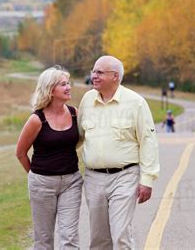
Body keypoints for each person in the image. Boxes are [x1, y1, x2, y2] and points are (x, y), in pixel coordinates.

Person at [78, 56, 160, 249]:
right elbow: (79, 136)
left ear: (115, 76)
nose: (94, 76)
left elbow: (148, 142)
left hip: (125, 177)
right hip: (93, 178)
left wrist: (147, 180)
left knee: (121, 234)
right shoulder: (87, 100)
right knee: (99, 239)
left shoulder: (136, 102)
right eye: (93, 71)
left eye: (99, 72)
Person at [15, 65, 83, 250]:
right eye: (63, 84)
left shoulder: (75, 113)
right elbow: (20, 153)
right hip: (42, 184)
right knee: (44, 240)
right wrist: (36, 176)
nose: (68, 87)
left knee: (70, 237)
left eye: (68, 83)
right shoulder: (36, 120)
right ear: (50, 90)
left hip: (71, 182)